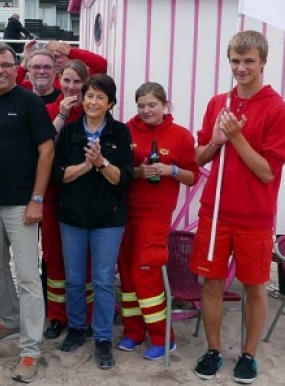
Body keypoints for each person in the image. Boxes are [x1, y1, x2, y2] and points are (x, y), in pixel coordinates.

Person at [190, 30, 285, 384]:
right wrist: (217, 141)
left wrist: (236, 137)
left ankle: (249, 355)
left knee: (254, 286)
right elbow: (199, 155)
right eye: (235, 61)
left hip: (254, 216)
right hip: (215, 212)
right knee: (212, 284)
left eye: (249, 61)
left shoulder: (279, 110)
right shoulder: (217, 102)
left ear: (263, 62)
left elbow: (267, 172)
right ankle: (213, 349)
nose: (241, 67)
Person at [0, 43, 55, 383]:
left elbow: (46, 151)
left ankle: (30, 350)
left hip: (22, 203)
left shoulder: (30, 103)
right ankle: (10, 318)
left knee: (29, 278)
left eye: (5, 64)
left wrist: (37, 199)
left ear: (17, 67)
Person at [52, 74, 133, 370]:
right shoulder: (71, 132)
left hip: (108, 219)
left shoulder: (120, 134)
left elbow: (123, 179)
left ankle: (101, 337)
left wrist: (100, 163)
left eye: (100, 97)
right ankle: (76, 328)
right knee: (74, 278)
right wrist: (86, 166)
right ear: (81, 100)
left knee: (101, 280)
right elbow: (58, 175)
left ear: (110, 103)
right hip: (72, 217)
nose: (93, 102)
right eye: (89, 96)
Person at [117, 82, 199, 360]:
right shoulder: (126, 129)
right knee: (127, 274)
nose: (146, 110)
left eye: (152, 105)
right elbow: (119, 169)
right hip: (125, 212)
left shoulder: (180, 136)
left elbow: (192, 177)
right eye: (141, 105)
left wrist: (171, 169)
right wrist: (138, 172)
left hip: (156, 216)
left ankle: (163, 338)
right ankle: (132, 332)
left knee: (147, 275)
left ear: (165, 105)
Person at [41, 60, 91, 340]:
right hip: (52, 195)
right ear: (59, 80)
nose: (72, 87)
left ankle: (88, 315)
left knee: (86, 260)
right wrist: (61, 115)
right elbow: (44, 145)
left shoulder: (93, 109)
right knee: (54, 257)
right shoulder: (49, 110)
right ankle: (57, 316)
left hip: (84, 195)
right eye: (67, 81)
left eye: (77, 82)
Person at [17, 40, 107, 91]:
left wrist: (71, 51)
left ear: (69, 57)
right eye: (50, 58)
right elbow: (10, 86)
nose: (54, 61)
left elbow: (101, 65)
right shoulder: (37, 83)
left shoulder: (79, 78)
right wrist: (25, 64)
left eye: (57, 56)